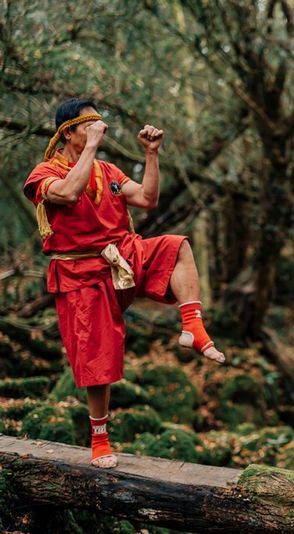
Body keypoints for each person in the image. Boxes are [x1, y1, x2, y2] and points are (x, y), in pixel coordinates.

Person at [23, 98, 225, 469]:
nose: (98, 131)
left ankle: (192, 327)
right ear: (68, 132)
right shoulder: (43, 173)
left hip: (122, 257)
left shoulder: (109, 171)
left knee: (175, 246)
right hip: (80, 275)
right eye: (89, 126)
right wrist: (93, 147)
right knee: (98, 356)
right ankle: (99, 436)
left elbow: (147, 198)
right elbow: (67, 194)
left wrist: (151, 155)